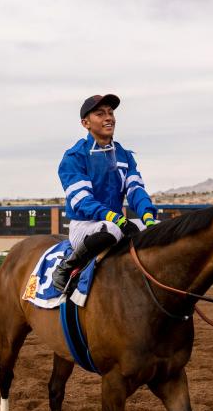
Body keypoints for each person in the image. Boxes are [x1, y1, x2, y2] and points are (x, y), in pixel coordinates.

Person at [50, 94, 158, 292]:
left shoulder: (124, 155)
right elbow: (83, 201)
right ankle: (66, 268)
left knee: (159, 230)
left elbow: (135, 190)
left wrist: (148, 217)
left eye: (110, 113)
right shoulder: (75, 156)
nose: (108, 118)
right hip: (86, 226)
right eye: (100, 114)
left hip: (116, 222)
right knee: (112, 229)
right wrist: (114, 218)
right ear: (86, 123)